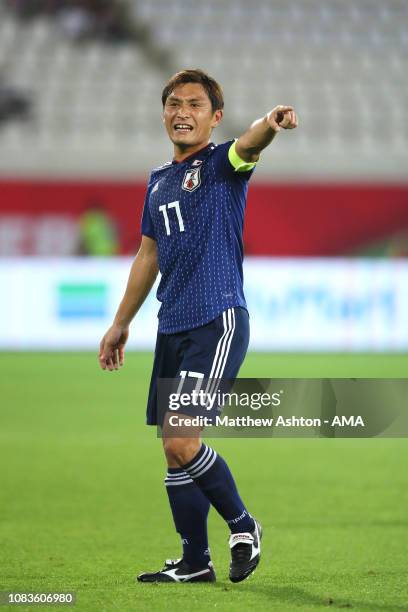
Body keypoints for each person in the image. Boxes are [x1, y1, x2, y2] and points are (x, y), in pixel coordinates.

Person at [99, 69, 298, 583]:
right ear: (163, 112)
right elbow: (148, 254)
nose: (182, 112)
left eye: (194, 104)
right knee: (173, 446)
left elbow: (251, 145)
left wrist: (270, 125)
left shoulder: (222, 164)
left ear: (215, 117)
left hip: (217, 318)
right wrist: (121, 323)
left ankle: (243, 524)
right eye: (173, 103)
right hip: (173, 324)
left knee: (183, 440)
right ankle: (194, 562)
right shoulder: (158, 180)